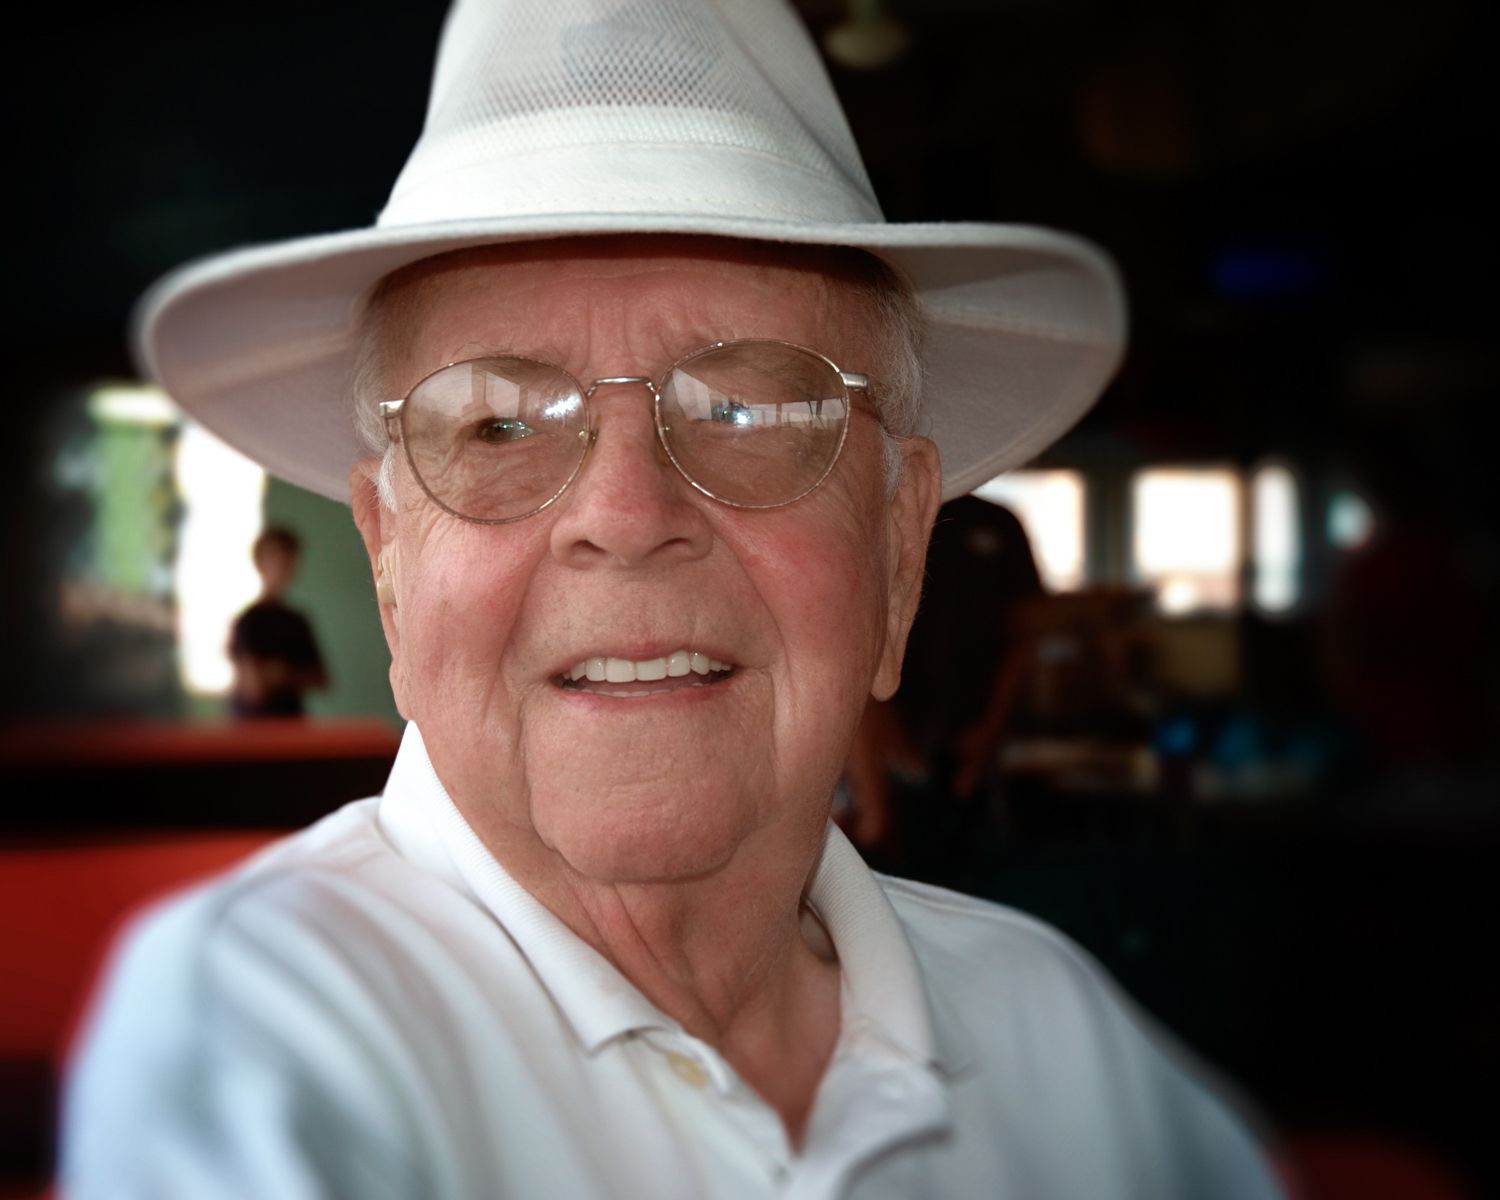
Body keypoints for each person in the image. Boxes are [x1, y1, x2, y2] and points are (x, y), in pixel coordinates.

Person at [63, 1, 1283, 1196]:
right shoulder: (268, 1039)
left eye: (750, 412)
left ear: (900, 548)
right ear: (386, 561)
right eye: (497, 421)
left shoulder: (1056, 1035)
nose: (629, 515)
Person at [227, 527, 328, 717]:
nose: (282, 566)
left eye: (288, 559)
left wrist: (281, 673)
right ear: (260, 563)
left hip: (291, 729)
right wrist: (288, 674)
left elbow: (321, 679)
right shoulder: (248, 622)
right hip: (253, 730)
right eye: (276, 558)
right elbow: (253, 688)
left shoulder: (298, 621)